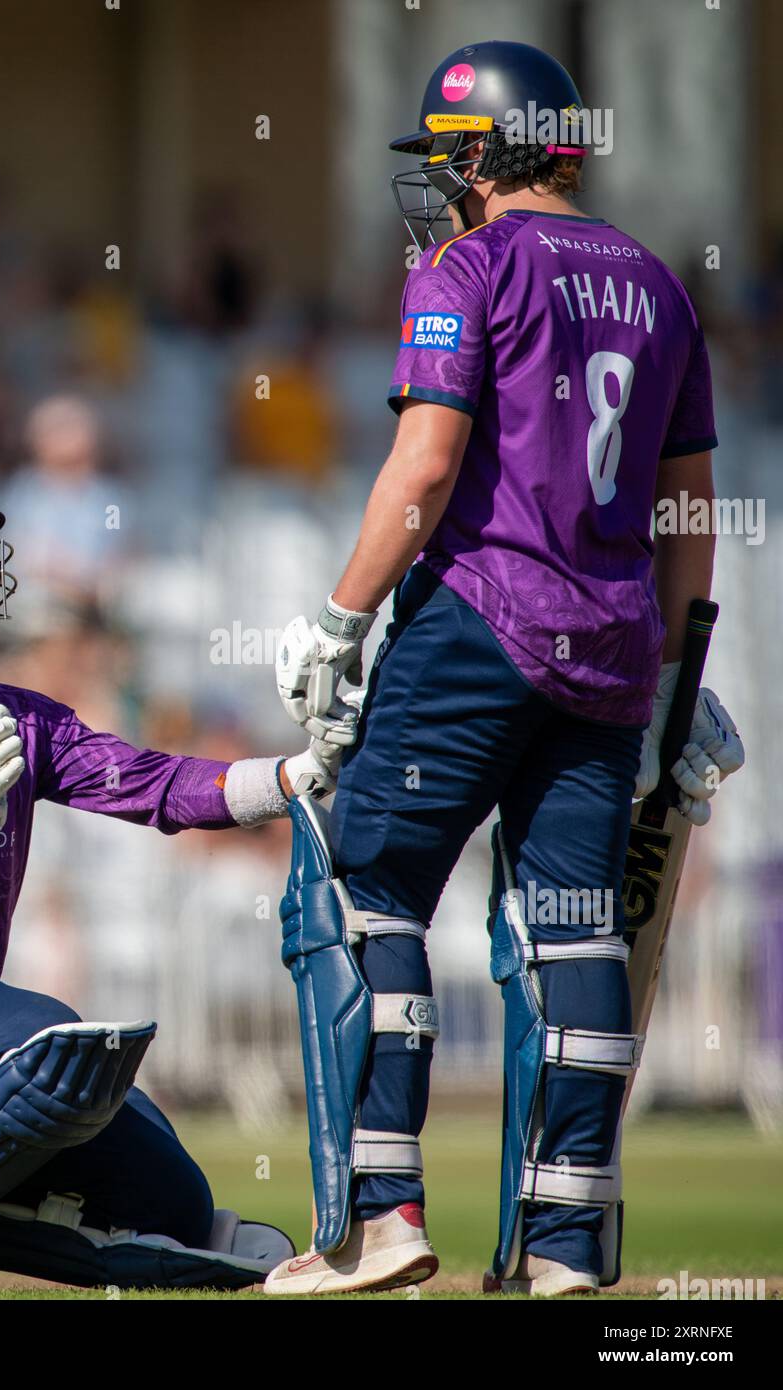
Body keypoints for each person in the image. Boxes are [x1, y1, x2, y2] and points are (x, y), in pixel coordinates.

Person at [267, 40, 745, 1296]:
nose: (436, 180)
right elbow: (690, 510)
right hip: (612, 649)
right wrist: (679, 675)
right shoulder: (658, 281)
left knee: (357, 889)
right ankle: (562, 1246)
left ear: (484, 150)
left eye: (445, 154)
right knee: (576, 935)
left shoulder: (463, 265)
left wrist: (335, 619)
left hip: (475, 621)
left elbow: (424, 472)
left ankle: (380, 1215)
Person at [0, 464, 359, 1293]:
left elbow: (151, 785)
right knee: (52, 1039)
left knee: (175, 1197)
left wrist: (292, 774)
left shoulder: (16, 715)